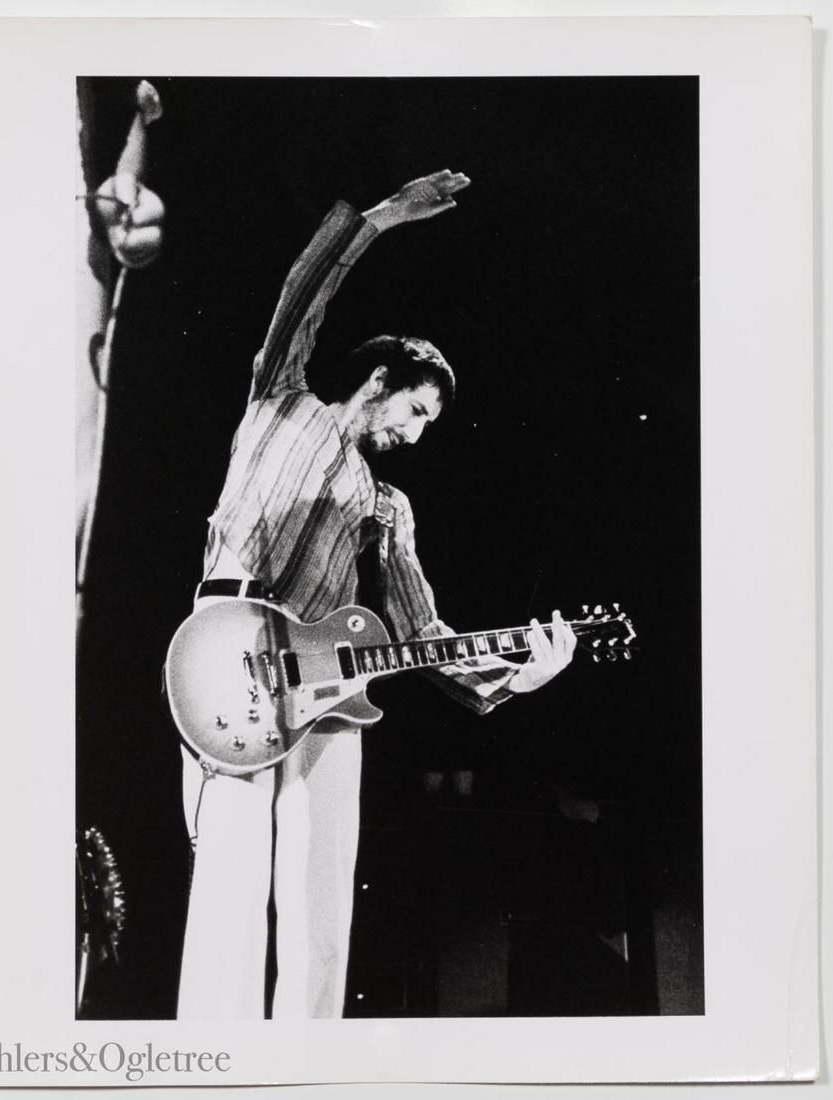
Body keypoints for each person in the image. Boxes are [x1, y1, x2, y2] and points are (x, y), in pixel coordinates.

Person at [175, 169, 577, 1020]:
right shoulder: (279, 401)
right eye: (418, 409)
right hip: (227, 656)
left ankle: (310, 1066)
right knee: (230, 885)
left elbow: (420, 626)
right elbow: (300, 293)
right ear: (380, 380)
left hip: (330, 687)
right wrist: (384, 218)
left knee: (323, 906)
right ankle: (219, 1063)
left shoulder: (386, 502)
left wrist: (515, 676)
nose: (418, 432)